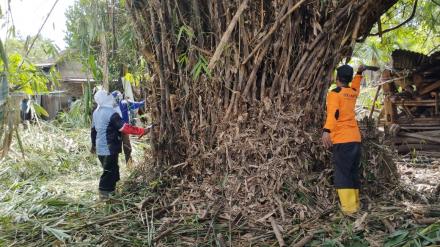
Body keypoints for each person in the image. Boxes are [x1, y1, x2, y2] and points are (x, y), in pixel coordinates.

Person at [322, 64, 366, 215]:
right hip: (355, 137)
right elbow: (356, 85)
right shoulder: (352, 92)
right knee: (352, 171)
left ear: (337, 78)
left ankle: (349, 209)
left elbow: (333, 114)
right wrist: (359, 73)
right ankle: (356, 205)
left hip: (342, 138)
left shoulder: (335, 93)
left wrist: (326, 130)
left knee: (342, 172)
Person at [91, 89, 151, 199]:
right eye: (108, 95)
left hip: (101, 147)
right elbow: (125, 127)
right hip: (109, 147)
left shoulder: (96, 112)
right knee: (109, 171)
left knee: (113, 169)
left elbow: (93, 130)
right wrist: (143, 131)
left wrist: (93, 146)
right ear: (105, 99)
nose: (111, 97)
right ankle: (104, 195)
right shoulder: (111, 113)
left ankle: (112, 192)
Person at [111, 90, 145, 165]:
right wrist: (143, 103)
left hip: (123, 129)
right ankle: (125, 163)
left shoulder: (124, 103)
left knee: (125, 146)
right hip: (119, 129)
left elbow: (135, 105)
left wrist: (144, 102)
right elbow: (136, 105)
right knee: (122, 146)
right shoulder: (117, 105)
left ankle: (128, 163)